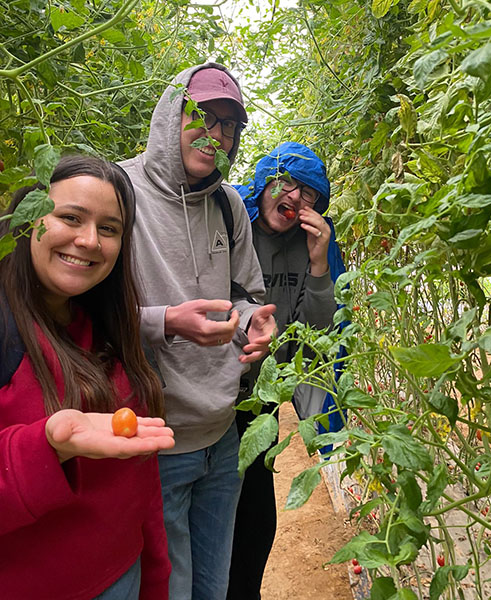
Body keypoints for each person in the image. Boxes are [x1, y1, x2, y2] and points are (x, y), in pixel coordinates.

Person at [119, 63, 277, 600]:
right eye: (202, 116)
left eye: (229, 126)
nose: (216, 136)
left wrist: (253, 321)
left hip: (222, 435)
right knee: (171, 588)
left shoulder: (228, 205)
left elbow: (245, 294)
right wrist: (165, 323)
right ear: (171, 112)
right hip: (157, 444)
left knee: (216, 586)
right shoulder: (121, 192)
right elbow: (80, 312)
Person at [0, 155, 176, 600]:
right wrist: (47, 446)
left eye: (110, 228)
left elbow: (141, 486)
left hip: (126, 576)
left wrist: (155, 579)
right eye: (70, 217)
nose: (89, 240)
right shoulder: (7, 335)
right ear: (27, 219)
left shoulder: (110, 330)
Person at [228, 142, 345, 600]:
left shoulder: (312, 244)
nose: (297, 198)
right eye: (287, 183)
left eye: (310, 194)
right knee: (216, 510)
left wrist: (318, 264)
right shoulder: (231, 222)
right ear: (264, 183)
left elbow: (315, 335)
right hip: (215, 390)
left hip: (262, 402)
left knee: (256, 510)